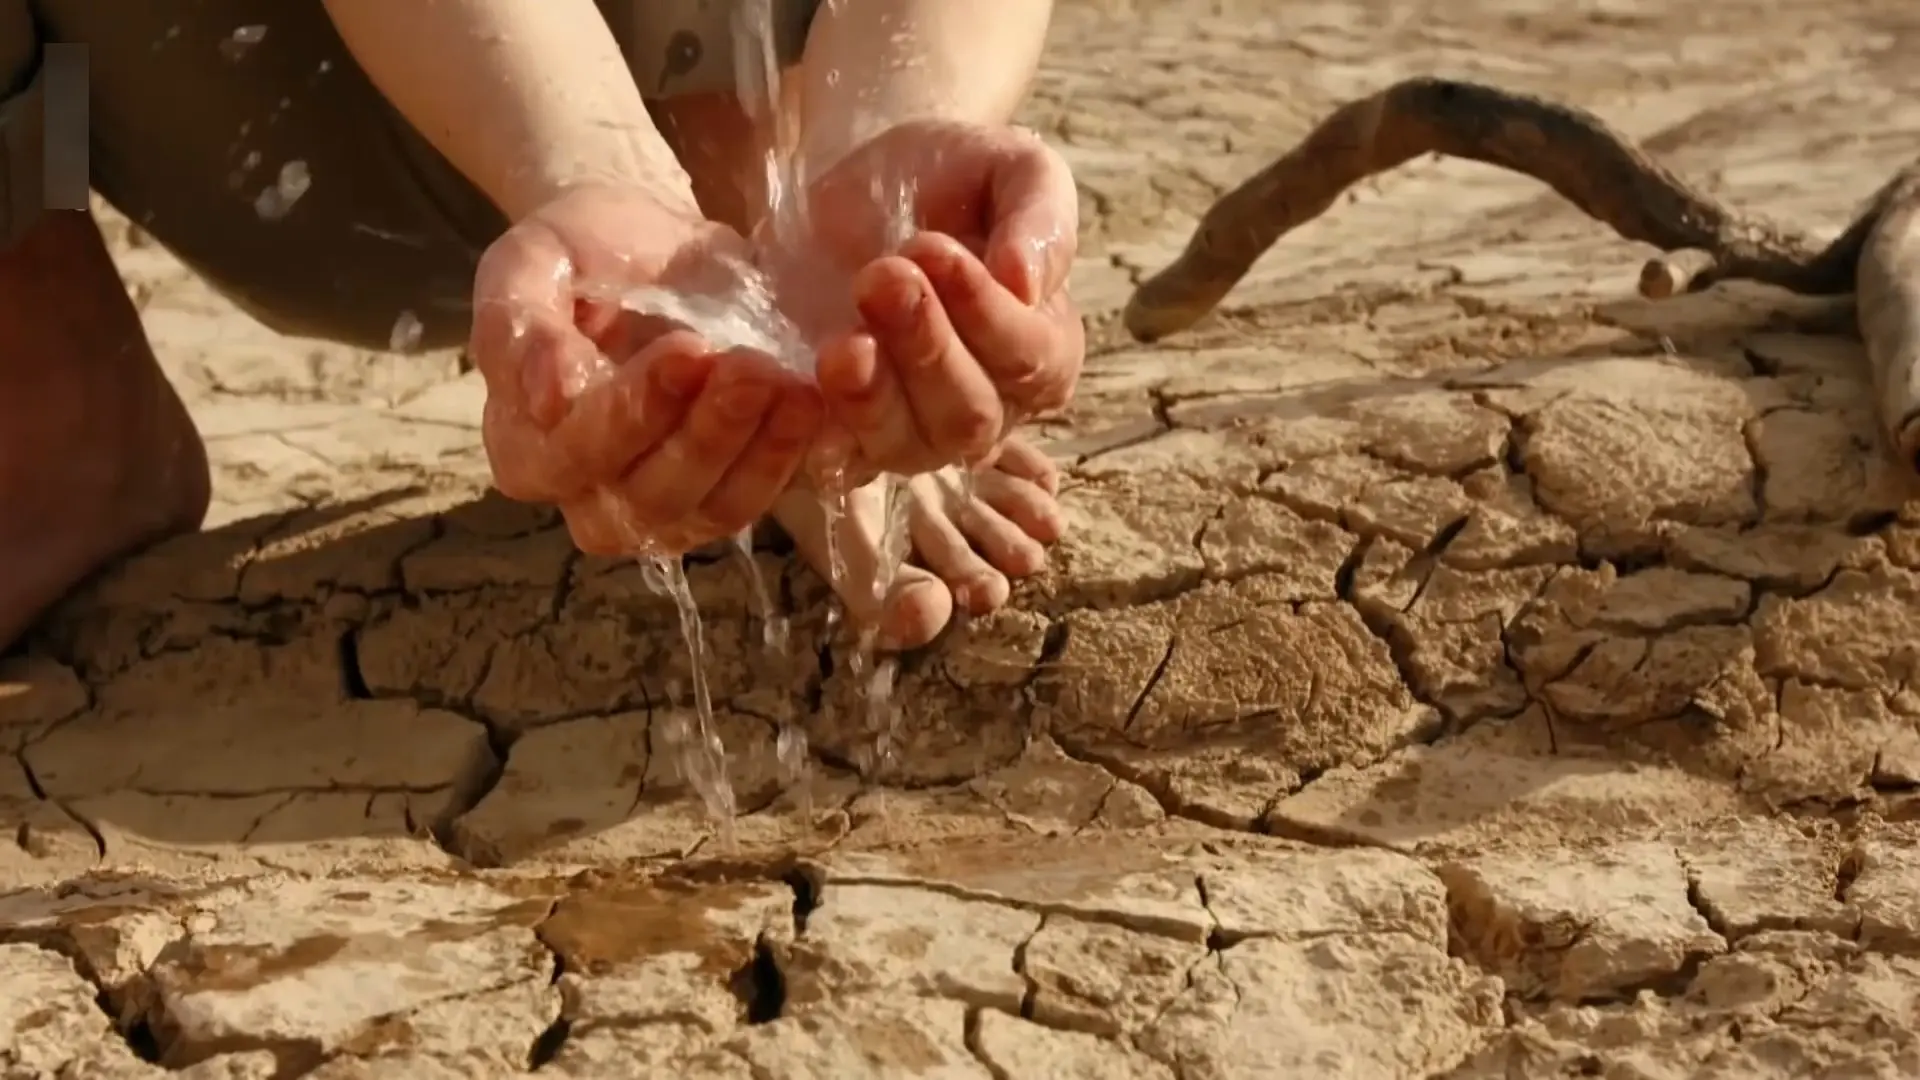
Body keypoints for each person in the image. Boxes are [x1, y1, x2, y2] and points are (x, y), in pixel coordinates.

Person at [0, 0, 1085, 655]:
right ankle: (51, 389)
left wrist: (885, 140)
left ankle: (752, 187)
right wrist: (584, 160)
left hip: (683, 91)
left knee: (760, 177)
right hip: (233, 106)